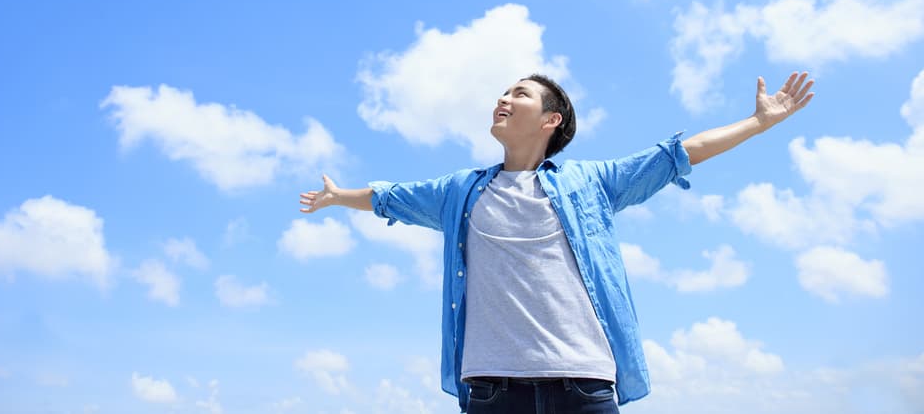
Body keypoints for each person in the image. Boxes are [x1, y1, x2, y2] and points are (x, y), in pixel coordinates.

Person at [299, 71, 815, 413]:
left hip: (583, 388)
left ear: (552, 120)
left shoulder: (592, 182)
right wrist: (339, 195)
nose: (503, 98)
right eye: (504, 92)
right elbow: (391, 197)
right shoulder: (459, 191)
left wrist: (758, 122)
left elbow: (676, 154)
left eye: (519, 94)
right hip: (490, 392)